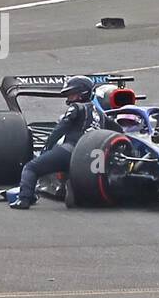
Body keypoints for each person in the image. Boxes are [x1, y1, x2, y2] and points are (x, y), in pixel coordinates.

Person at [9, 76, 98, 209]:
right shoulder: (101, 114)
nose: (69, 99)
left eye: (71, 94)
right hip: (95, 155)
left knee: (31, 167)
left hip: (72, 150)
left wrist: (47, 147)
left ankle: (25, 199)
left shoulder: (77, 108)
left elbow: (59, 129)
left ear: (81, 93)